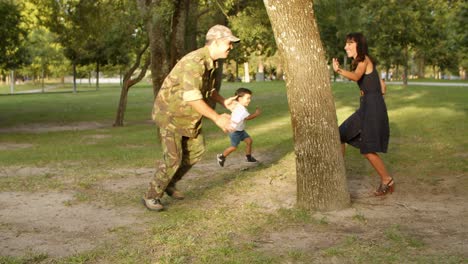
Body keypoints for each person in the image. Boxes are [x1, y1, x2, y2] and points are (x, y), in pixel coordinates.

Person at [142, 25, 240, 211]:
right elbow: (192, 96)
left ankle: (169, 183)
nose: (231, 47)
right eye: (229, 43)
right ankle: (151, 195)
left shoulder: (210, 62)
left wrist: (223, 101)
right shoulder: (195, 61)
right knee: (173, 158)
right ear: (217, 42)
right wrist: (217, 118)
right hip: (171, 115)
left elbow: (207, 90)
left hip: (186, 116)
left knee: (196, 151)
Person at [332, 32, 393, 196]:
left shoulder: (364, 59)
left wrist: (338, 70)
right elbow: (379, 84)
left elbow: (357, 76)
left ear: (358, 44)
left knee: (367, 149)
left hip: (372, 108)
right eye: (346, 44)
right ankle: (337, 173)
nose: (346, 47)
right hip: (367, 106)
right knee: (340, 134)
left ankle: (387, 179)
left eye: (349, 43)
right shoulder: (361, 61)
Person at [216, 88, 261, 167]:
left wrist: (232, 99)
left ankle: (248, 157)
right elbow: (248, 118)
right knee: (233, 147)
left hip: (240, 130)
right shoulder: (242, 110)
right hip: (234, 131)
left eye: (250, 98)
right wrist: (256, 114)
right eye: (247, 98)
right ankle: (221, 156)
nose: (249, 100)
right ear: (240, 99)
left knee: (249, 141)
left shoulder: (237, 105)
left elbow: (230, 102)